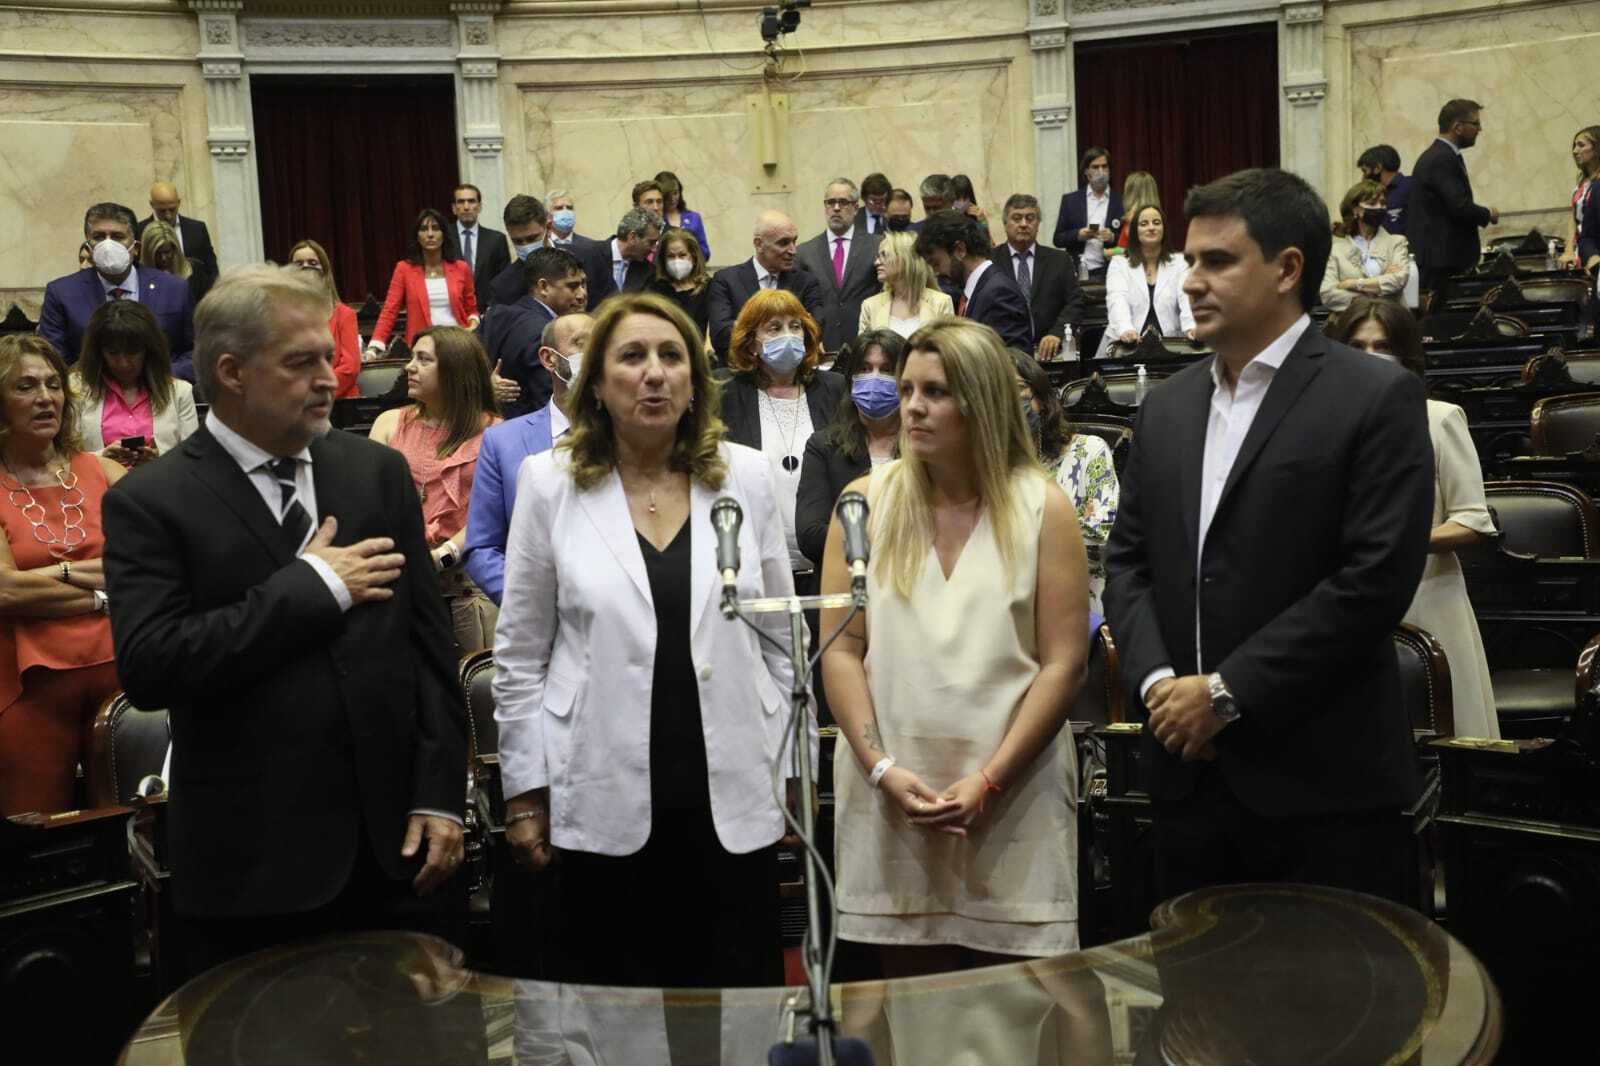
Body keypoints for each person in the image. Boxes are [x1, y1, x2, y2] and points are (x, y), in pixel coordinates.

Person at [102, 263, 467, 979]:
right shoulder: (153, 501)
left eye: (329, 357)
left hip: (400, 856)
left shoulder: (374, 473)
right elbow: (151, 666)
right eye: (301, 363)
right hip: (255, 873)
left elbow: (429, 649)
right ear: (232, 372)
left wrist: (440, 796)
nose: (330, 380)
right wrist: (311, 589)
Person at [1102, 167, 1434, 904]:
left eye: (1217, 261)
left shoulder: (1375, 394)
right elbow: (1127, 563)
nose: (1191, 281)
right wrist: (1160, 687)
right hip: (1186, 777)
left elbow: (1373, 580)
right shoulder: (1167, 407)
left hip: (1322, 785)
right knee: (1191, 980)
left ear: (1287, 270)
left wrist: (1225, 694)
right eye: (1189, 260)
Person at [492, 291, 804, 988]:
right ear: (596, 384)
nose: (654, 373)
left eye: (672, 356)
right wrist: (524, 792)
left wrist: (794, 770)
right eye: (631, 356)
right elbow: (519, 656)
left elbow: (783, 638)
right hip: (598, 782)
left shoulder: (747, 477)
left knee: (742, 999)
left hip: (732, 782)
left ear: (695, 382)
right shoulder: (547, 483)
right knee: (614, 1010)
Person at [819, 317, 1089, 972]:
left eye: (935, 391)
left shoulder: (1044, 506)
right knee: (903, 995)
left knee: (1023, 996)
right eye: (906, 389)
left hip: (1013, 792)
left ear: (982, 401)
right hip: (890, 790)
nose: (911, 406)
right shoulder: (862, 503)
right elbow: (842, 650)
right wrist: (881, 768)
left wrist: (991, 781)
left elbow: (1064, 664)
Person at [1327, 297, 1499, 739]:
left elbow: (1472, 520)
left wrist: (1400, 541)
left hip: (1428, 597)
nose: (1370, 357)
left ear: (1405, 355)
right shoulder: (1322, 426)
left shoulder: (1439, 419)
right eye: (1357, 346)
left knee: (1448, 738)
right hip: (1345, 602)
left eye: (1382, 346)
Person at [0, 334, 126, 817]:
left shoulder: (105, 471)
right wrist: (100, 595)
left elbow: (143, 568)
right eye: (25, 386)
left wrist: (52, 576)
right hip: (29, 689)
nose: (45, 397)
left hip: (124, 677)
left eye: (54, 385)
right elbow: (6, 591)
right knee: (40, 835)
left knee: (136, 828)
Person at [370, 326, 502, 655]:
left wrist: (444, 555)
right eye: (412, 358)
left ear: (455, 370)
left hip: (468, 587)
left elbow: (492, 512)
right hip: (403, 581)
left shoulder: (496, 433)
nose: (409, 367)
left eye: (423, 359)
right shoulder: (389, 422)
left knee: (475, 681)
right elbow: (371, 500)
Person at [464, 312, 591, 606]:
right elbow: (483, 547)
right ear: (549, 358)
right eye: (582, 344)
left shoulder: (629, 433)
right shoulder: (502, 441)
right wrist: (528, 603)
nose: (594, 355)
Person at [720, 289, 847, 580]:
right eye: (774, 328)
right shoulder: (727, 393)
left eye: (795, 326)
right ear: (751, 343)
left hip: (827, 560)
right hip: (755, 561)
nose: (788, 335)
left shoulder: (835, 388)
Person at [39, 202, 195, 383]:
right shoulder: (61, 293)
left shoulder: (174, 289)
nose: (108, 244)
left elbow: (196, 351)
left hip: (161, 389)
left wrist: (161, 376)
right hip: (91, 393)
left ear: (136, 248)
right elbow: (52, 361)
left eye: (117, 237)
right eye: (98, 237)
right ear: (88, 247)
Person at [1012, 350, 1117, 615]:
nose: (1010, 401)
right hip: (1012, 600)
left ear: (1042, 397)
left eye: (1019, 388)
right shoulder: (989, 464)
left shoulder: (1089, 451)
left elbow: (1100, 531)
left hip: (1080, 597)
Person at [795, 329, 904, 565]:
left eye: (886, 370)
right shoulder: (823, 446)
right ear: (851, 379)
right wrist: (892, 536)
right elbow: (811, 536)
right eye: (864, 369)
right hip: (844, 578)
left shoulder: (922, 448)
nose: (874, 378)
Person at [71, 300, 198, 463]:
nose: (123, 363)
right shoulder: (76, 388)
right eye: (113, 353)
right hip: (98, 477)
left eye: (132, 353)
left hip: (160, 477)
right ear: (99, 352)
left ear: (148, 350)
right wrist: (102, 457)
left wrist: (158, 459)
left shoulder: (180, 392)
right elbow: (64, 457)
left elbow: (192, 460)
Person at [481, 246, 587, 418]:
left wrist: (483, 386)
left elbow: (463, 363)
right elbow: (549, 404)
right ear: (543, 287)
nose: (582, 294)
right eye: (572, 286)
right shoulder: (546, 333)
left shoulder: (496, 314)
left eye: (583, 284)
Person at [706, 209, 826, 361]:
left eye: (794, 241)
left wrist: (744, 328)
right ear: (759, 244)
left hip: (792, 370)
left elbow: (816, 329)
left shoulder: (806, 282)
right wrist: (791, 329)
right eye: (783, 243)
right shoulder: (726, 280)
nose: (793, 250)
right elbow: (721, 334)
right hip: (741, 369)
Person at [1409, 99, 1499, 295]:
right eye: (1475, 123)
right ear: (1458, 127)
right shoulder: (1442, 158)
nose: (1480, 129)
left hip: (1441, 259)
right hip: (1442, 262)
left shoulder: (1440, 155)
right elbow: (1459, 206)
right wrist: (1487, 214)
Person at [368, 208, 480, 356]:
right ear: (417, 236)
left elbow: (471, 309)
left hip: (457, 345)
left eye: (436, 228)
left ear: (444, 234)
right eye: (424, 229)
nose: (430, 234)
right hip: (422, 346)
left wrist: (473, 324)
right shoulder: (404, 269)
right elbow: (390, 311)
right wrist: (374, 346)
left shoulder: (461, 268)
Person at [917, 210, 1033, 351]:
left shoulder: (999, 292)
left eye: (936, 263)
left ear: (960, 250)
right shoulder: (974, 292)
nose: (936, 273)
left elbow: (1014, 358)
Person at [990, 194, 1083, 361]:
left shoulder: (1059, 260)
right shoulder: (990, 261)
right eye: (1016, 218)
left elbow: (1075, 302)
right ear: (1005, 224)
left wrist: (1057, 333)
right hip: (1003, 353)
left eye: (1030, 218)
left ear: (1038, 224)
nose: (1023, 224)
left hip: (1050, 352)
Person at [795, 178, 882, 353]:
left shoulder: (876, 245)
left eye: (843, 202)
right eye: (831, 202)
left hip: (864, 346)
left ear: (856, 208)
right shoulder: (805, 252)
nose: (836, 208)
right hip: (821, 346)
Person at [1099, 204, 1195, 357]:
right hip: (1125, 346)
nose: (1151, 227)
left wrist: (1191, 326)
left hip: (1171, 345)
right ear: (1135, 231)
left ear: (1164, 229)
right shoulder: (1119, 263)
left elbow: (1186, 298)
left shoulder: (1180, 263)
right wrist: (1125, 329)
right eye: (1144, 224)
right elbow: (1117, 299)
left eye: (1156, 223)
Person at [1320, 180, 1412, 312]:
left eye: (1382, 203)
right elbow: (1327, 293)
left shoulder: (1396, 242)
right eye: (1372, 203)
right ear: (1355, 210)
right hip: (1351, 320)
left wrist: (1353, 284)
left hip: (1391, 319)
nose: (1380, 207)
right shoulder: (1336, 250)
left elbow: (1398, 280)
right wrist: (1375, 294)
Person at [288, 239, 361, 399]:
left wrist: (317, 391)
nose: (306, 268)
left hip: (340, 401)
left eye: (313, 263)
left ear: (325, 271)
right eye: (299, 264)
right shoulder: (284, 316)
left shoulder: (345, 314)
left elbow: (350, 368)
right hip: (299, 401)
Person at [858, 231, 953, 338]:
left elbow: (948, 346)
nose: (877, 262)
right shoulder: (870, 306)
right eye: (878, 256)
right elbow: (863, 347)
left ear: (905, 258)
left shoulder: (941, 303)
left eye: (884, 255)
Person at [1053, 147, 1121, 275]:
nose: (1101, 171)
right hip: (1077, 272)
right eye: (1095, 167)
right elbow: (1058, 239)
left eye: (1104, 166)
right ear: (1086, 171)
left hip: (1112, 272)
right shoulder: (1070, 201)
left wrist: (1112, 237)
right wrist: (1079, 235)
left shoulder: (1120, 201)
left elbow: (1132, 242)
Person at [138, 181, 218, 283]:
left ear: (179, 202)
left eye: (172, 209)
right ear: (152, 205)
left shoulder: (197, 229)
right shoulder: (140, 231)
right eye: (162, 211)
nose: (168, 216)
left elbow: (211, 269)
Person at [452, 183, 511, 313]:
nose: (466, 207)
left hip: (488, 313)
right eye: (461, 202)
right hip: (453, 312)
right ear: (454, 208)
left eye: (471, 201)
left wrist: (493, 308)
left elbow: (504, 280)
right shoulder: (444, 238)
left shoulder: (496, 240)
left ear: (479, 207)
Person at [646, 227, 712, 338]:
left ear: (693, 256)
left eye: (682, 255)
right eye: (671, 256)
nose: (677, 261)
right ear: (663, 260)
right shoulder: (654, 287)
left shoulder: (709, 287)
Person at [140, 220, 211, 306]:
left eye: (167, 252)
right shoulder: (139, 279)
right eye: (157, 253)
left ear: (175, 249)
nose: (163, 258)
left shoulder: (195, 271)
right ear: (148, 253)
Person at [1564, 125, 1600, 271]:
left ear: (1596, 148)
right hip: (1584, 249)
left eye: (1581, 145)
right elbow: (1574, 219)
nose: (1575, 151)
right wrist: (1568, 250)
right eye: (1574, 146)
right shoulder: (1583, 181)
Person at [653, 170, 711, 260]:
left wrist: (689, 253)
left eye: (675, 193)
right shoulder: (655, 220)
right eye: (668, 195)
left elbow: (706, 252)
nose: (673, 198)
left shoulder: (694, 218)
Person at [1358, 144, 1413, 237]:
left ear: (1377, 168)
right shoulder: (1375, 194)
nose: (1363, 177)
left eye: (1365, 171)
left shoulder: (1411, 187)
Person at [608, 208, 659, 298]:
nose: (654, 249)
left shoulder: (649, 272)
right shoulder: (591, 255)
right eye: (651, 243)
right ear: (632, 237)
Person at [1113, 171, 1161, 253]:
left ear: (1130, 193)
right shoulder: (1158, 217)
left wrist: (1108, 252)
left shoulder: (1133, 218)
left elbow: (1130, 250)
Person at [857, 172, 893, 236]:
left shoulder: (893, 219)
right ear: (864, 198)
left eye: (882, 200)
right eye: (873, 200)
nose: (878, 205)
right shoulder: (853, 218)